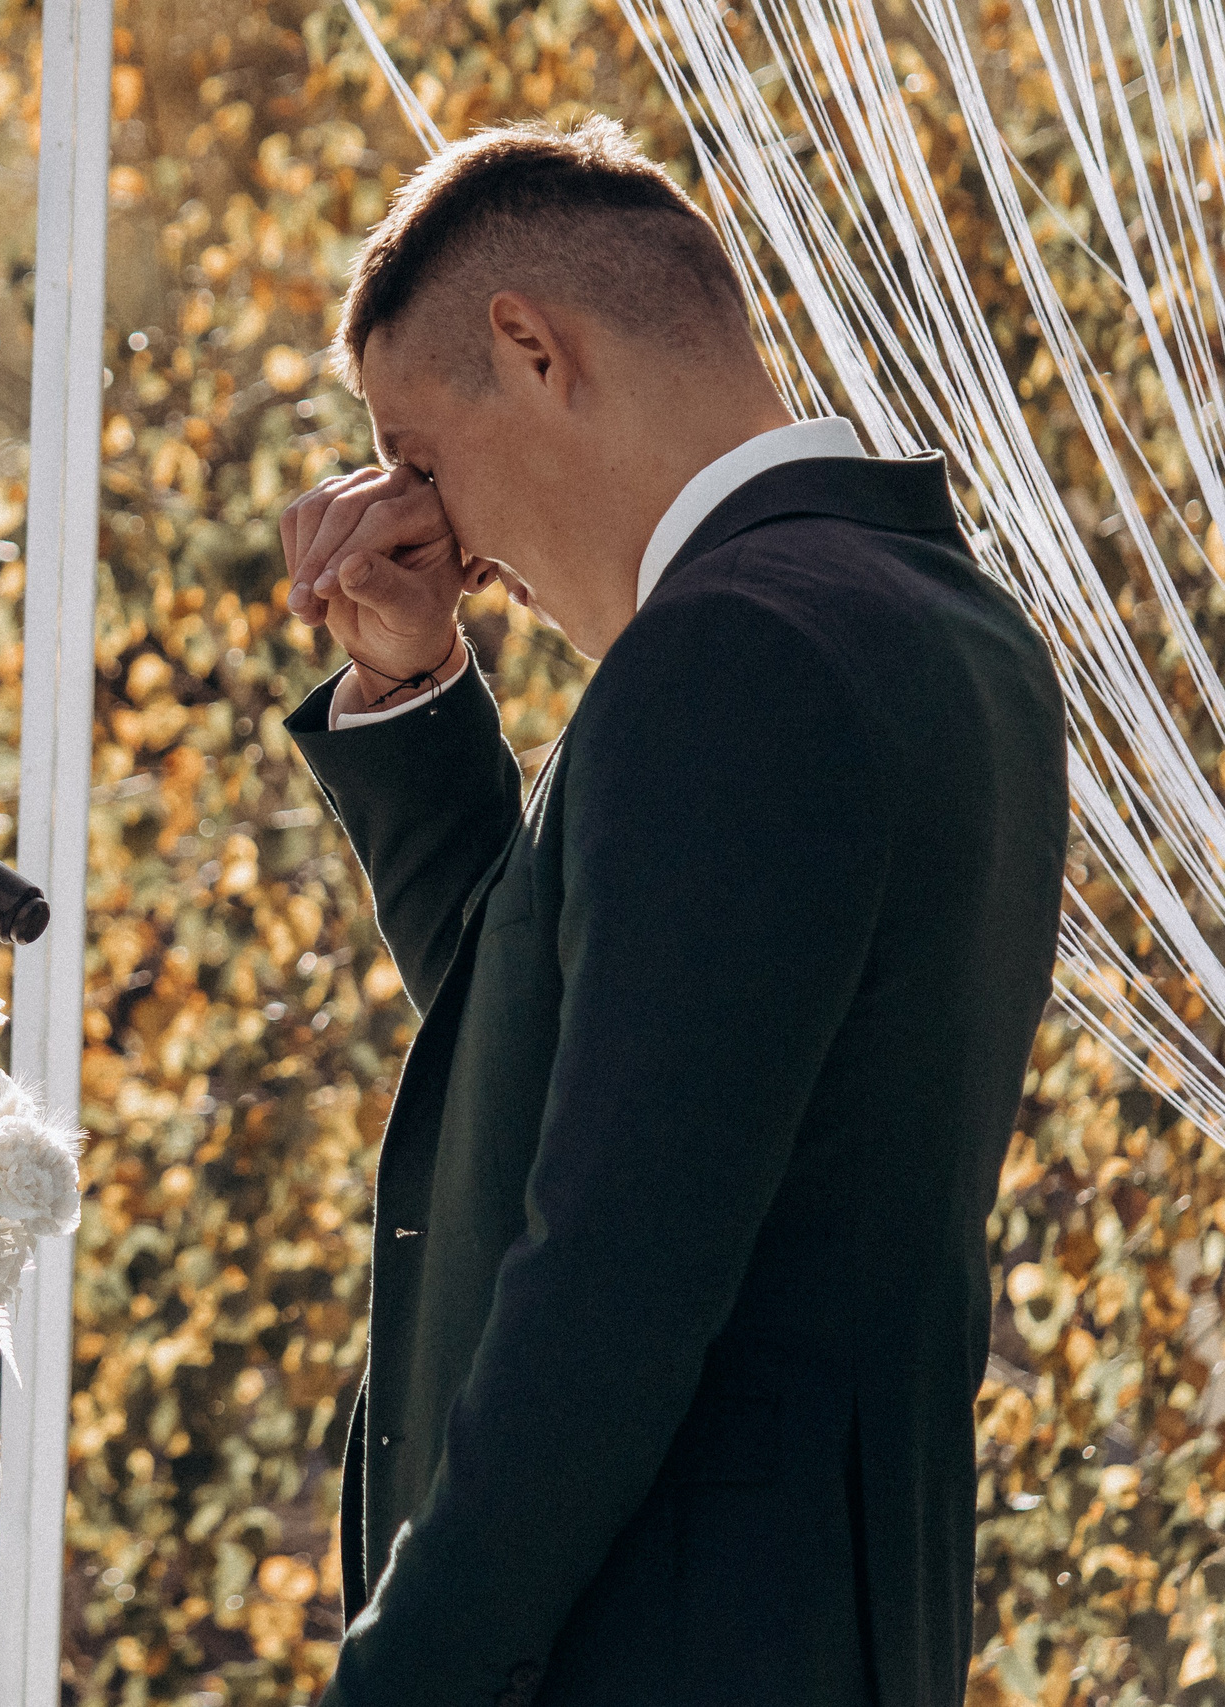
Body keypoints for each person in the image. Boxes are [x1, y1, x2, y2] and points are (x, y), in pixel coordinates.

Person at [279, 118, 1066, 1706]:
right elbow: (570, 1059)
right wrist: (414, 693)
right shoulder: (953, 624)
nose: (443, 542)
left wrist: (406, 1676)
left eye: (418, 460)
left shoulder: (731, 652)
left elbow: (613, 1278)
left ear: (532, 349)